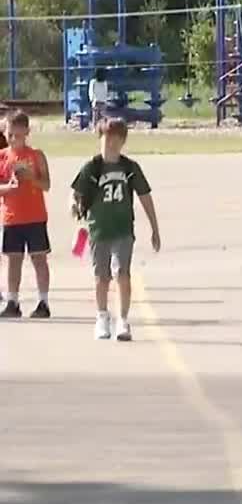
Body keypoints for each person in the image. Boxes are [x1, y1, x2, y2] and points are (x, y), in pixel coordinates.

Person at [70, 118, 161, 341]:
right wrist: (73, 206)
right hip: (98, 230)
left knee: (123, 274)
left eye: (115, 138)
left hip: (122, 230)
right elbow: (75, 193)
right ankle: (102, 317)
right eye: (105, 138)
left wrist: (154, 228)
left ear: (122, 141)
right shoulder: (92, 167)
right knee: (101, 277)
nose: (109, 143)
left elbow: (145, 197)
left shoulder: (129, 168)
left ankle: (123, 319)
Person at [0, 112, 52, 319]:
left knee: (39, 259)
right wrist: (7, 188)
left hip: (35, 216)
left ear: (27, 133)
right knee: (14, 260)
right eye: (10, 135)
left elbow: (46, 185)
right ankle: (13, 300)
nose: (14, 140)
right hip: (12, 218)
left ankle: (43, 301)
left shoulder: (36, 155)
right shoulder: (2, 156)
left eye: (18, 136)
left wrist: (31, 178)